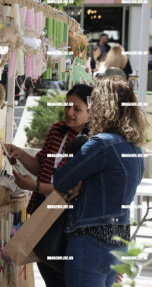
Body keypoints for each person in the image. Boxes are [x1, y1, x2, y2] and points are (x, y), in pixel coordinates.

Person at [50, 78, 146, 287]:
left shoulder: (102, 144)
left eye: (94, 102)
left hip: (90, 242)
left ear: (104, 105)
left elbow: (60, 180)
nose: (91, 107)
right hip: (118, 243)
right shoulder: (136, 150)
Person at [5, 84, 93, 287]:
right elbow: (41, 166)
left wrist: (36, 187)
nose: (69, 112)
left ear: (91, 111)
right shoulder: (57, 131)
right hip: (42, 215)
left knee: (63, 275)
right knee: (47, 269)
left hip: (68, 221)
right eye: (67, 106)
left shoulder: (91, 142)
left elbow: (76, 191)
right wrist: (20, 154)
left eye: (77, 109)